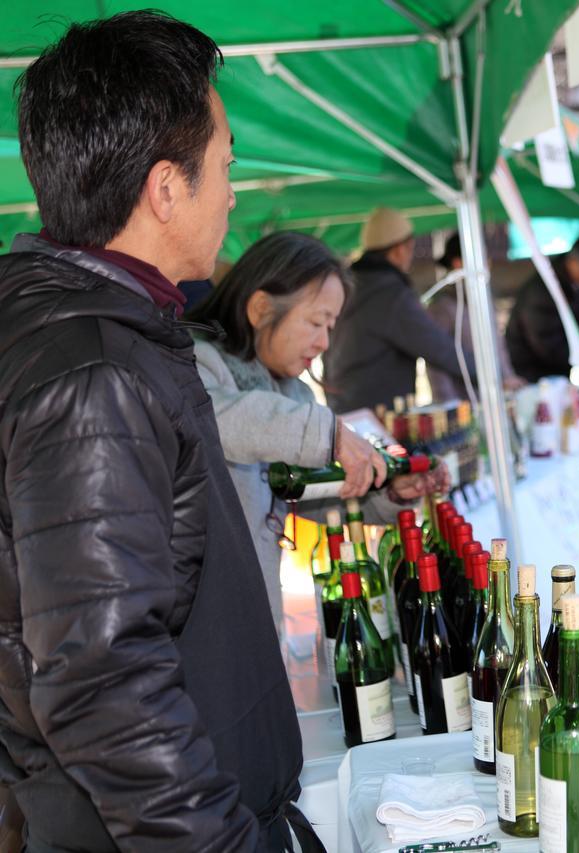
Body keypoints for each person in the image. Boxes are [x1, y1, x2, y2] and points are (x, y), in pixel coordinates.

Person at [0, 11, 309, 849]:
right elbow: (102, 679)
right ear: (167, 188)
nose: (234, 191)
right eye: (226, 166)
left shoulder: (119, 332)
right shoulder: (92, 370)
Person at [187, 232, 440, 633]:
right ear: (260, 308)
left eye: (331, 326)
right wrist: (330, 434)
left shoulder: (292, 391)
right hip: (201, 619)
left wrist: (387, 492)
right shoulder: (197, 365)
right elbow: (221, 421)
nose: (324, 342)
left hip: (259, 611)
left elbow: (307, 493)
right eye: (315, 322)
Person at [323, 206, 476, 413]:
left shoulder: (348, 284)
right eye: (410, 248)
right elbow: (438, 347)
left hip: (341, 407)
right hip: (376, 414)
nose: (410, 257)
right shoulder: (389, 294)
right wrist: (491, 375)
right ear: (398, 250)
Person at [425, 233, 523, 400]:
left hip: (493, 400)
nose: (487, 264)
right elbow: (436, 363)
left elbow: (498, 346)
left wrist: (508, 377)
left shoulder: (485, 300)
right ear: (458, 263)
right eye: (481, 258)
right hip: (465, 404)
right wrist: (450, 406)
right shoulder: (442, 308)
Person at [505, 235, 579, 382]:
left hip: (559, 368)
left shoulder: (577, 284)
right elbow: (547, 345)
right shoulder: (542, 291)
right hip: (537, 375)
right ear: (574, 263)